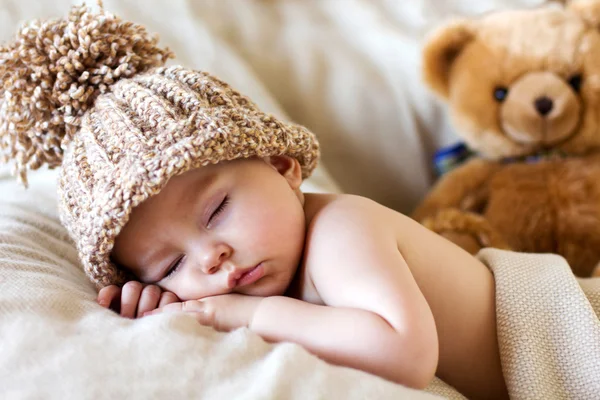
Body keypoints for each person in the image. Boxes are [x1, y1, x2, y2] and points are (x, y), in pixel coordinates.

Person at [0, 4, 507, 400]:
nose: (209, 257)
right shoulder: (252, 280)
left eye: (217, 210)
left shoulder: (341, 228)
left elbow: (403, 352)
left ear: (283, 167)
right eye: (172, 264)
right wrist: (169, 308)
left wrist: (235, 316)